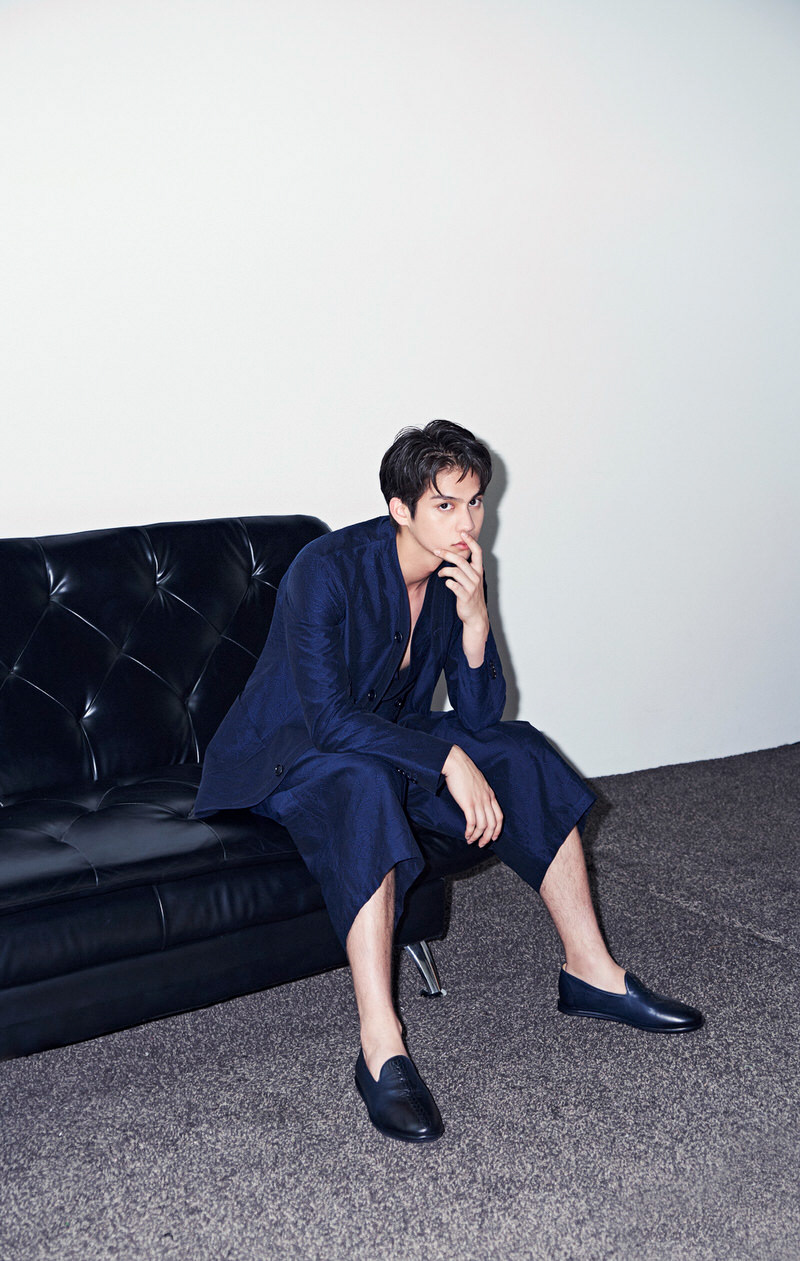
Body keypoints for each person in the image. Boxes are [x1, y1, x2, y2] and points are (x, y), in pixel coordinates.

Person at [193, 420, 702, 1143]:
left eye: (475, 502)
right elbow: (330, 722)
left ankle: (590, 971)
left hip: (383, 737)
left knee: (519, 751)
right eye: (445, 505)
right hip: (288, 751)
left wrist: (475, 620)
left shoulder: (452, 572)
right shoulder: (326, 569)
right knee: (363, 782)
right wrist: (445, 760)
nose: (467, 523)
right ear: (399, 508)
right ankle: (381, 1045)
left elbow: (483, 716)